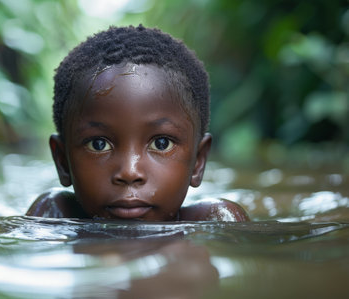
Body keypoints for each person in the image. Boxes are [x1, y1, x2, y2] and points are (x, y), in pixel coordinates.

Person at [26, 25, 249, 222]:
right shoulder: (53, 215)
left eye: (162, 143)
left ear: (198, 162)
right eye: (98, 144)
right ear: (63, 162)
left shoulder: (215, 223)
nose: (129, 172)